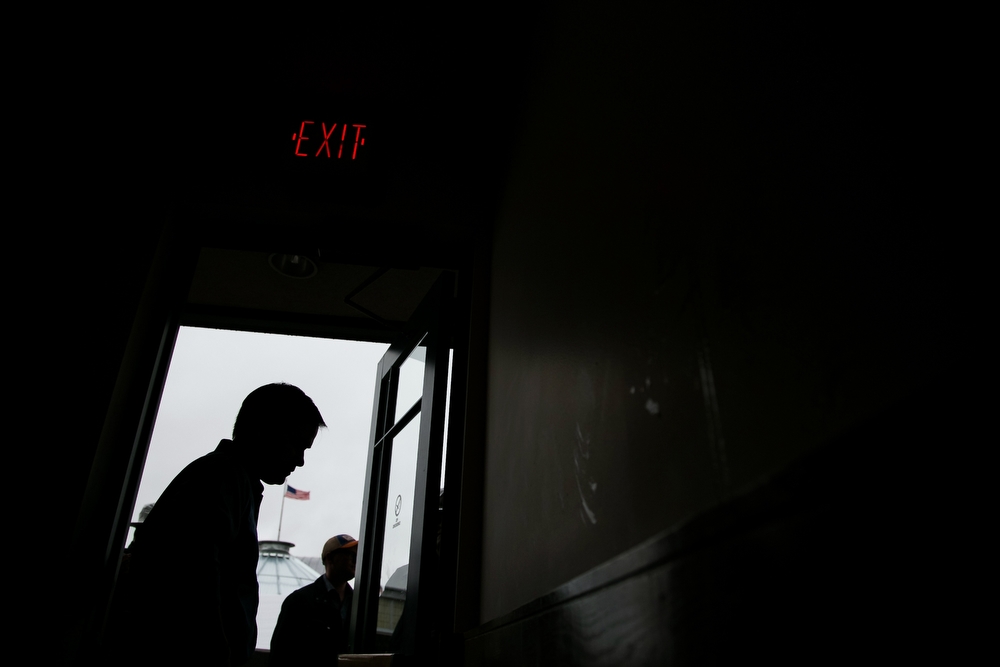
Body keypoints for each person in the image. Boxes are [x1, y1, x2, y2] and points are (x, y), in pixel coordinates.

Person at [106, 383, 326, 667]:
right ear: (263, 430)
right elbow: (195, 586)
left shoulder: (228, 481)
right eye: (296, 444)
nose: (300, 460)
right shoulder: (220, 480)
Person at [268, 534, 358, 666]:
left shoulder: (358, 604)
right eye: (348, 554)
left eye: (356, 555)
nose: (354, 560)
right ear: (330, 559)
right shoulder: (299, 601)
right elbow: (280, 652)